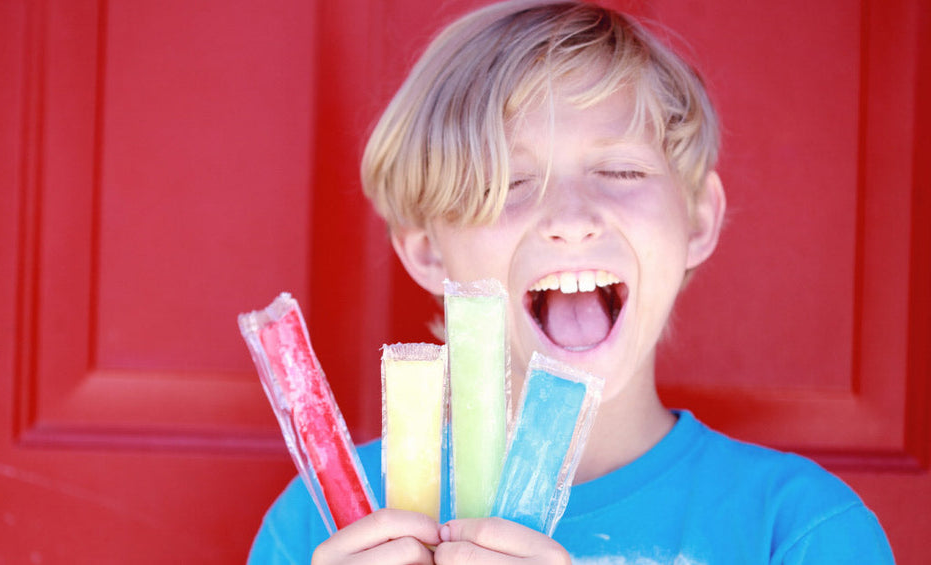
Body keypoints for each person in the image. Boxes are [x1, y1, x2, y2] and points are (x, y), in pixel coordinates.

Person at [248, 1, 895, 563]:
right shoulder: (324, 525)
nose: (572, 219)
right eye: (510, 183)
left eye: (619, 171)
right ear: (428, 250)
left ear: (698, 219)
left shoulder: (799, 529)